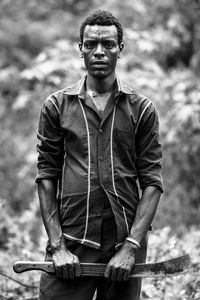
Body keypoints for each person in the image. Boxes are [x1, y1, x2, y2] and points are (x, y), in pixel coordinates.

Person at [36, 10, 163, 300]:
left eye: (107, 44)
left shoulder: (141, 109)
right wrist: (58, 247)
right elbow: (46, 177)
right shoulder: (57, 106)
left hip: (125, 242)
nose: (99, 52)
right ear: (80, 49)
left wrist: (131, 246)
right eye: (91, 44)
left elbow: (152, 182)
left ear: (121, 48)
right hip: (72, 239)